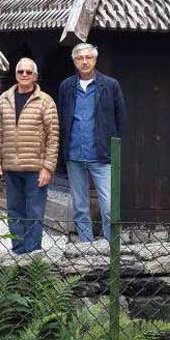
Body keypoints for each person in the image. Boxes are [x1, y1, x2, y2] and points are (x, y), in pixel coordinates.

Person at [59, 43, 126, 243]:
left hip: (102, 154)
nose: (84, 61)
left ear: (95, 60)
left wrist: (114, 148)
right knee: (80, 206)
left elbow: (121, 119)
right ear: (74, 61)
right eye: (80, 58)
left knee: (108, 206)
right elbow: (63, 118)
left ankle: (111, 246)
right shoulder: (66, 86)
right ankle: (86, 247)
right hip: (74, 153)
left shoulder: (110, 85)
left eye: (88, 57)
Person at [0, 58, 59, 254]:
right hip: (11, 167)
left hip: (35, 168)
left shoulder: (45, 101)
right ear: (15, 74)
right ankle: (18, 251)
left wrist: (48, 167)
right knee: (13, 211)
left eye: (28, 72)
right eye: (20, 71)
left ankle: (33, 254)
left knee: (35, 212)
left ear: (35, 76)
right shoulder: (4, 99)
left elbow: (53, 136)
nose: (24, 75)